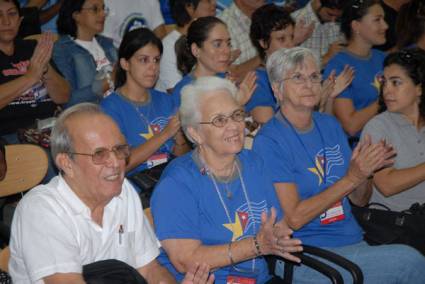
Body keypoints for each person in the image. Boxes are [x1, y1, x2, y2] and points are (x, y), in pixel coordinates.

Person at [253, 46, 425, 283]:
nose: (309, 84)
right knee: (410, 261)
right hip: (306, 252)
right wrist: (351, 178)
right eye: (298, 78)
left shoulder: (329, 125)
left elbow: (359, 199)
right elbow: (294, 218)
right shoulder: (269, 140)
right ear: (277, 89)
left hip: (352, 240)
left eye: (314, 76)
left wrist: (364, 173)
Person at [8, 103, 214, 283]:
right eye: (99, 154)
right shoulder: (43, 210)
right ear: (66, 163)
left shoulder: (123, 192)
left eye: (119, 150)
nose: (115, 162)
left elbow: (150, 269)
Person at [151, 76, 303, 284]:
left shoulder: (254, 163)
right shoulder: (176, 184)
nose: (234, 126)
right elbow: (185, 260)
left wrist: (276, 236)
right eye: (220, 120)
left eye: (237, 115)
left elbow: (277, 224)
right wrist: (256, 246)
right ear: (196, 134)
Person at [101, 28, 190, 176]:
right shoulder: (110, 108)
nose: (153, 67)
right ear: (125, 64)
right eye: (144, 60)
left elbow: (184, 158)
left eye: (156, 60)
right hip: (138, 190)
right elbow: (119, 164)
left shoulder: (167, 100)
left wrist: (180, 139)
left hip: (172, 180)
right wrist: (165, 134)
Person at [361, 48, 425, 211]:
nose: (386, 90)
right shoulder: (378, 127)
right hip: (394, 226)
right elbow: (386, 185)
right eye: (385, 82)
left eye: (396, 82)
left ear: (419, 88)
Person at [0, 0, 70, 142]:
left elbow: (63, 96)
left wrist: (45, 69)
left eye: (12, 14)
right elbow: (31, 76)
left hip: (50, 130)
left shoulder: (32, 47)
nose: (6, 21)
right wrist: (30, 77)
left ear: (20, 20)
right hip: (11, 136)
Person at [324, 0, 387, 145]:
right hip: (361, 147)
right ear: (356, 26)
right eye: (377, 20)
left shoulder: (383, 58)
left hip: (391, 137)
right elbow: (351, 126)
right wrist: (385, 100)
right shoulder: (339, 66)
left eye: (383, 19)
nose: (385, 26)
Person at [173, 16, 256, 107]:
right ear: (196, 50)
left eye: (228, 44)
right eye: (217, 44)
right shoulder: (184, 91)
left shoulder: (228, 81)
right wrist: (234, 104)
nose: (227, 51)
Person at [53, 0, 117, 107]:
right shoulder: (62, 50)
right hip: (88, 116)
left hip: (118, 109)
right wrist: (109, 82)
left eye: (103, 9)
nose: (102, 14)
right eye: (95, 9)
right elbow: (68, 100)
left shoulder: (107, 43)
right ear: (76, 15)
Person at [156, 0, 216, 93]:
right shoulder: (168, 46)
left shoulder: (210, 38)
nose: (214, 3)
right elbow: (177, 92)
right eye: (208, 0)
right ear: (189, 7)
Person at [291, 0, 347, 67]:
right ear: (318, 3)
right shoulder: (294, 21)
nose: (333, 20)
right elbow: (292, 68)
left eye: (338, 17)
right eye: (330, 14)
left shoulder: (338, 22)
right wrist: (327, 57)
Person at [103, 0, 167, 48]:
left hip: (148, 55)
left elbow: (160, 35)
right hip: (119, 57)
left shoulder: (151, 1)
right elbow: (105, 43)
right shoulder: (107, 3)